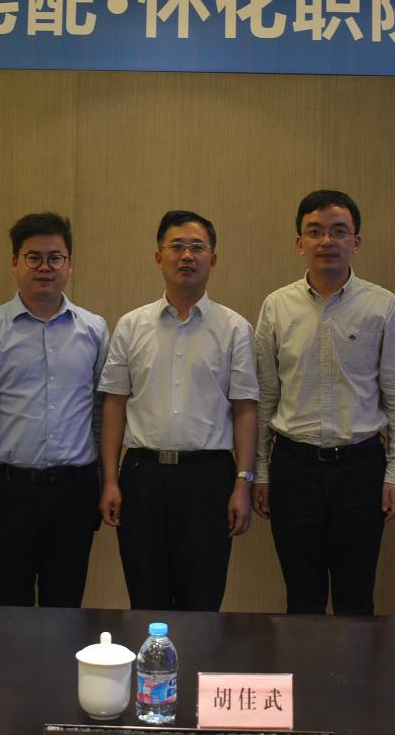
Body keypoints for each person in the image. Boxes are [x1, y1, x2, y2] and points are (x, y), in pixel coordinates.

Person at [252, 189, 395, 616]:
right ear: (299, 242)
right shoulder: (276, 306)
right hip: (293, 469)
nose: (327, 241)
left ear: (356, 242)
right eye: (315, 231)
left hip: (361, 470)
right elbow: (265, 398)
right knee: (301, 598)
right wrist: (261, 472)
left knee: (355, 599)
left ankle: (353, 665)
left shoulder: (382, 306)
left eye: (339, 231)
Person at [98, 210, 258, 611]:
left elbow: (244, 410)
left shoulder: (235, 328)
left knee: (202, 603)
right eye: (177, 247)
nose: (187, 256)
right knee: (145, 600)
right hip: (142, 477)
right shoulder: (131, 325)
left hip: (208, 479)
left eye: (197, 247)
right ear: (158, 257)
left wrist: (243, 483)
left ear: (213, 259)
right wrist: (110, 480)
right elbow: (114, 404)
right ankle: (152, 658)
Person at [0, 212, 108, 607]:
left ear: (69, 264)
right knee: (9, 605)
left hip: (75, 490)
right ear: (14, 263)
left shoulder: (94, 329)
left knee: (66, 605)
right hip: (11, 490)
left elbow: (100, 413)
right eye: (33, 257)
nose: (45, 267)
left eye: (55, 258)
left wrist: (104, 482)